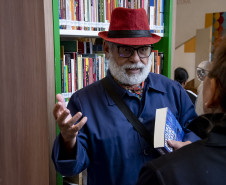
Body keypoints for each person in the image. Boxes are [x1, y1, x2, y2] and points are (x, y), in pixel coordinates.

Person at [52, 8, 199, 185]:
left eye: (143, 49)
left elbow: (195, 128)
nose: (136, 59)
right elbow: (69, 169)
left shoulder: (173, 90)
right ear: (107, 48)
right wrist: (68, 140)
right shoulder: (83, 102)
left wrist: (190, 144)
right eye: (126, 50)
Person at [136, 36, 226, 185]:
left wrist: (192, 148)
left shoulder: (161, 174)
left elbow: (192, 126)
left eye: (143, 50)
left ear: (215, 91)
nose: (135, 58)